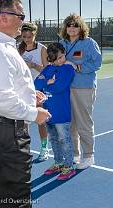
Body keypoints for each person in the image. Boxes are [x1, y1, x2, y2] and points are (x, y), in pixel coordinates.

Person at [0, 0, 51, 208]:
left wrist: (30, 96)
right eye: (20, 15)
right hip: (4, 135)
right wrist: (34, 113)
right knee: (15, 199)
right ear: (4, 16)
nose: (23, 21)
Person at [60, 13, 102, 169]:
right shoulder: (62, 43)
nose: (71, 27)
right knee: (71, 124)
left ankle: (89, 156)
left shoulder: (88, 43)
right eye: (69, 24)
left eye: (75, 25)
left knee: (84, 122)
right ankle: (75, 154)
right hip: (66, 88)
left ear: (81, 27)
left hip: (83, 87)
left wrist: (77, 67)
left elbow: (97, 63)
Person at [34, 42, 76, 180]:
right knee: (53, 139)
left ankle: (69, 166)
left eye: (61, 57)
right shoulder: (48, 69)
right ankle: (58, 162)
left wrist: (47, 83)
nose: (60, 61)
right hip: (48, 112)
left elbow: (59, 87)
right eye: (56, 59)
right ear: (51, 60)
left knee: (64, 139)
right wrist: (49, 81)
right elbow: (36, 84)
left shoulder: (68, 69)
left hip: (61, 112)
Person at [18, 22, 49, 162]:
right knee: (24, 121)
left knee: (40, 120)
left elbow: (48, 71)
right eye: (24, 36)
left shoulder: (42, 49)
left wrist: (34, 66)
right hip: (23, 89)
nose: (27, 39)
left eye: (29, 36)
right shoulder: (18, 48)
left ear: (34, 35)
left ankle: (44, 149)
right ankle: (25, 149)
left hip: (38, 90)